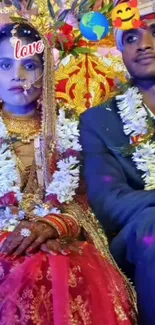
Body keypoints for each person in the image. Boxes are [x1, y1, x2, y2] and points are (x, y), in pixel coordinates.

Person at [0, 16, 137, 325]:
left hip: (60, 240)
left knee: (56, 264)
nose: (18, 76)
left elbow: (90, 200)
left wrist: (52, 225)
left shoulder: (73, 127)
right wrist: (14, 234)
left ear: (46, 71)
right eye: (5, 65)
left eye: (30, 65)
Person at [80, 0, 155, 324]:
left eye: (154, 32)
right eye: (131, 38)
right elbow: (109, 203)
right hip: (140, 235)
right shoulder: (99, 121)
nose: (145, 45)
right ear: (119, 51)